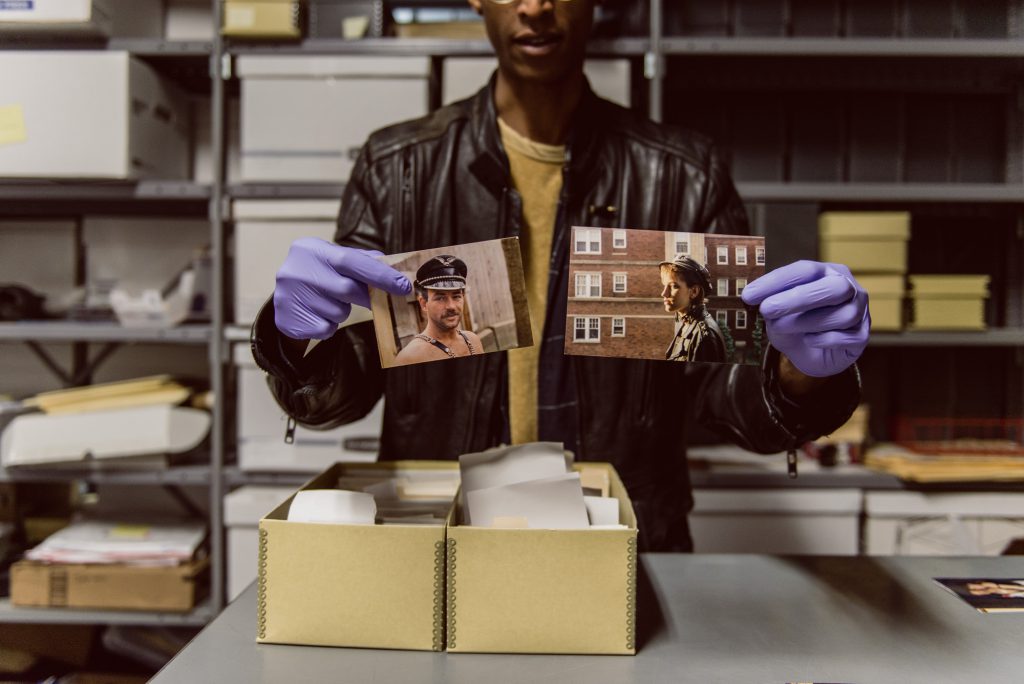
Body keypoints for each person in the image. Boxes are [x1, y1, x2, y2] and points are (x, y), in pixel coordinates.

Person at [254, 0, 870, 551]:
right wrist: (294, 340)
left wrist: (800, 377)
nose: (536, 7)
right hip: (439, 544)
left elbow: (721, 394)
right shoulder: (400, 168)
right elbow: (344, 386)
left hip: (624, 546)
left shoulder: (683, 173)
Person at [392, 255, 482, 366]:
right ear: (424, 303)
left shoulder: (473, 340)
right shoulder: (408, 358)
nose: (451, 306)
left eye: (456, 296)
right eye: (440, 298)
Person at [659, 254, 726, 363]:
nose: (664, 293)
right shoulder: (687, 323)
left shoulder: (704, 336)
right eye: (665, 286)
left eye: (673, 286)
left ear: (694, 291)